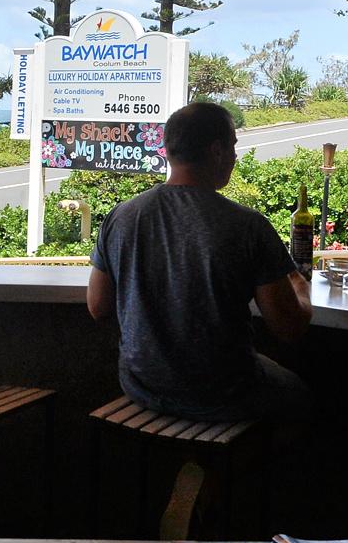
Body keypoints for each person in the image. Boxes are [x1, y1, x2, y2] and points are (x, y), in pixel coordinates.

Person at [86, 101, 313, 421]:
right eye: (233, 146)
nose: (235, 157)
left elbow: (98, 307)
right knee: (302, 396)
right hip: (223, 394)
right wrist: (299, 284)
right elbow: (289, 328)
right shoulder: (248, 226)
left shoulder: (121, 216)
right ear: (217, 150)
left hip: (141, 386)